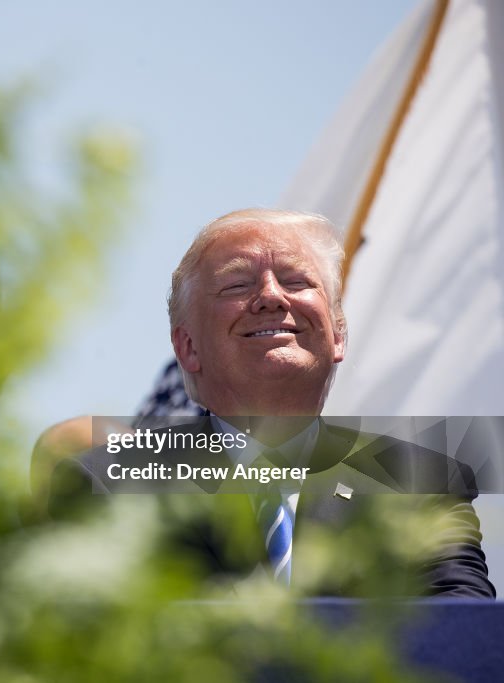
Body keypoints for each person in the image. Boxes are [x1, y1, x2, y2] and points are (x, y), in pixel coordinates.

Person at [37, 208, 495, 598]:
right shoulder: (104, 486)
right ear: (188, 348)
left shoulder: (422, 485)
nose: (273, 297)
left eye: (296, 280)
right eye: (237, 285)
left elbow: (463, 639)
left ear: (338, 335)